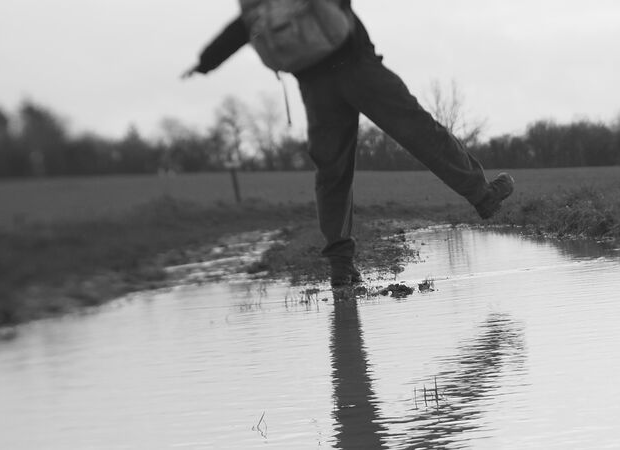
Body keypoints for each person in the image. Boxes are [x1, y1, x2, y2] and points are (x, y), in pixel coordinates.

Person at [183, 0, 514, 290]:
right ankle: (482, 195)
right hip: (356, 65)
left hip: (314, 86)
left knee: (332, 171)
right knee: (419, 131)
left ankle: (340, 265)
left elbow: (241, 28)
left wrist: (204, 62)